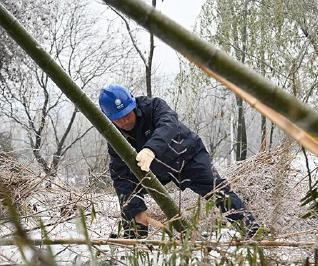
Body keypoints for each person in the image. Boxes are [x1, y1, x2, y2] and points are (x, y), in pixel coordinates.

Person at [99, 84, 259, 239]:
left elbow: (169, 125)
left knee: (218, 190)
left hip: (187, 155)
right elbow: (120, 176)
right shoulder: (115, 137)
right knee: (129, 197)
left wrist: (150, 149)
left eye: (127, 114)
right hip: (155, 169)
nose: (125, 121)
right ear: (110, 119)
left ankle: (252, 232)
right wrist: (134, 211)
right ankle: (135, 243)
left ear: (133, 105)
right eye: (119, 119)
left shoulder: (154, 106)